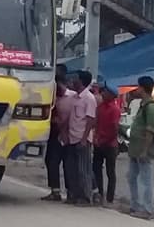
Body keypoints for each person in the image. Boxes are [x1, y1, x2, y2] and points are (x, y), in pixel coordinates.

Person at [127, 76, 154, 220]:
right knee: (131, 177)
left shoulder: (151, 107)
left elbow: (150, 131)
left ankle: (146, 209)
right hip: (135, 150)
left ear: (143, 88)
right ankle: (135, 205)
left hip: (143, 151)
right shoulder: (143, 105)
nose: (137, 89)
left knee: (146, 180)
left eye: (139, 87)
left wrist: (145, 150)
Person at [63, 70, 97, 205]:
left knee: (84, 169)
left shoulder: (89, 98)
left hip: (82, 138)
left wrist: (84, 138)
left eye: (76, 79)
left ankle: (86, 197)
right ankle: (74, 194)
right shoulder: (75, 97)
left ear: (81, 81)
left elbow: (90, 120)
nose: (73, 81)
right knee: (72, 168)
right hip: (72, 137)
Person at [42, 64, 72, 202]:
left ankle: (69, 191)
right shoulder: (52, 96)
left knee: (64, 163)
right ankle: (55, 190)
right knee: (50, 161)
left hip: (64, 133)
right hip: (52, 133)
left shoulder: (70, 96)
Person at [93, 82, 121, 205]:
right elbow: (97, 123)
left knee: (110, 171)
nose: (102, 93)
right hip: (100, 142)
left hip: (109, 144)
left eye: (105, 92)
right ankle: (99, 192)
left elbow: (114, 129)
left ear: (111, 95)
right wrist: (96, 137)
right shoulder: (100, 107)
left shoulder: (114, 109)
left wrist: (104, 139)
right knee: (96, 169)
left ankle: (110, 197)